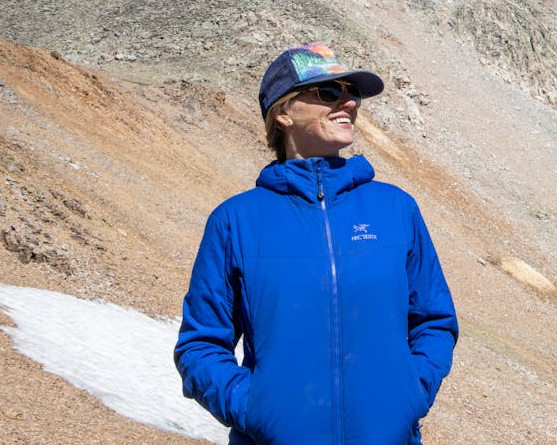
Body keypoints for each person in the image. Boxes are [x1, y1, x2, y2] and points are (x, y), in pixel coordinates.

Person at [175, 43, 459, 445]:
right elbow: (201, 345)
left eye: (352, 92)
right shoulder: (235, 220)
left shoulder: (395, 208)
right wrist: (255, 408)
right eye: (328, 92)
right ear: (284, 113)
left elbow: (433, 320)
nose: (348, 102)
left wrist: (412, 392)